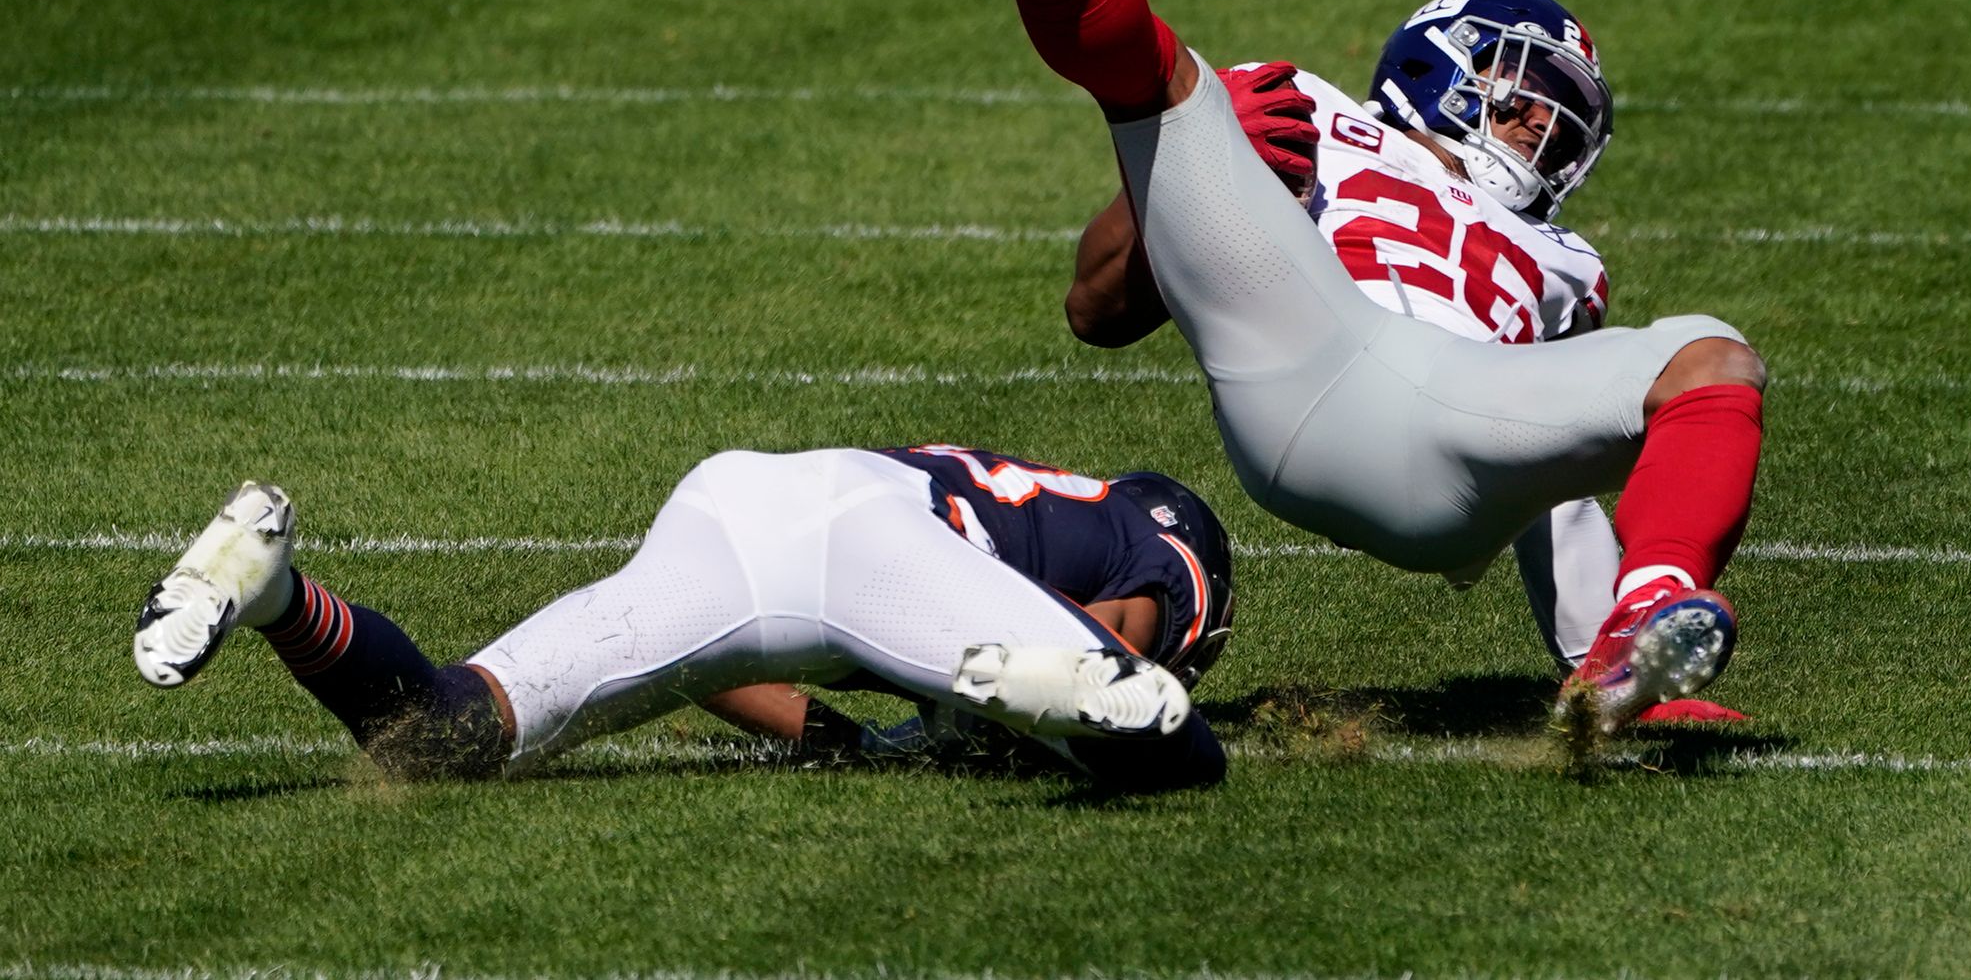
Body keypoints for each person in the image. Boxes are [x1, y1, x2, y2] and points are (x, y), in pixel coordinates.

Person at [904, 0, 1767, 736]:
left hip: (1454, 410)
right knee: (1171, 85)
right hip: (1300, 331)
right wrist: (1198, 166)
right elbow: (1097, 306)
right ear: (1443, 67)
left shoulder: (1563, 257)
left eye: (1563, 119)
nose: (1547, 131)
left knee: (1710, 358)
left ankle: (1631, 641)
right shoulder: (1311, 110)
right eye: (1526, 95)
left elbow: (1559, 498)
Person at [132, 443, 1235, 790]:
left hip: (743, 508)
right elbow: (1135, 619)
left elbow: (714, 663)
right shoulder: (1160, 533)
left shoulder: (1020, 498)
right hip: (877, 549)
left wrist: (838, 743)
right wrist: (1116, 664)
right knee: (1175, 747)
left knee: (442, 734)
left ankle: (267, 585)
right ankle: (1031, 686)